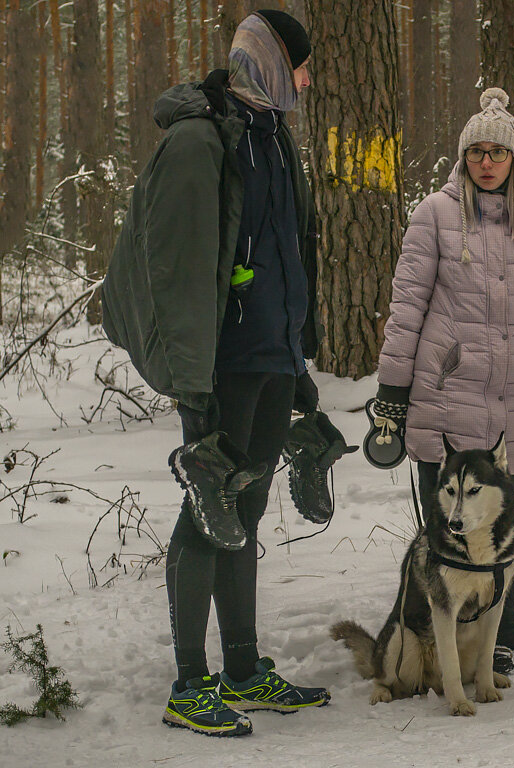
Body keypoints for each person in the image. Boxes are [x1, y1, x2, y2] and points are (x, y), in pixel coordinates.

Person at [101, 11, 351, 737]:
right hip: (219, 364)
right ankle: (188, 685)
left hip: (269, 356)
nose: (306, 79)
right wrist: (190, 378)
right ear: (270, 60)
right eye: (300, 64)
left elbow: (290, 254)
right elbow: (176, 263)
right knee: (207, 510)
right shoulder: (197, 140)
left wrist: (300, 360)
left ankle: (242, 669)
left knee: (244, 512)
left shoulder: (273, 139)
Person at [370, 87, 514, 675]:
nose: (488, 161)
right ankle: (437, 636)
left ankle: (499, 625)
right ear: (464, 158)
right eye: (478, 151)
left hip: (509, 402)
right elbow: (407, 306)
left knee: (502, 517)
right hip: (444, 397)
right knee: (445, 527)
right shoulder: (434, 215)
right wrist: (392, 393)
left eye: (498, 152)